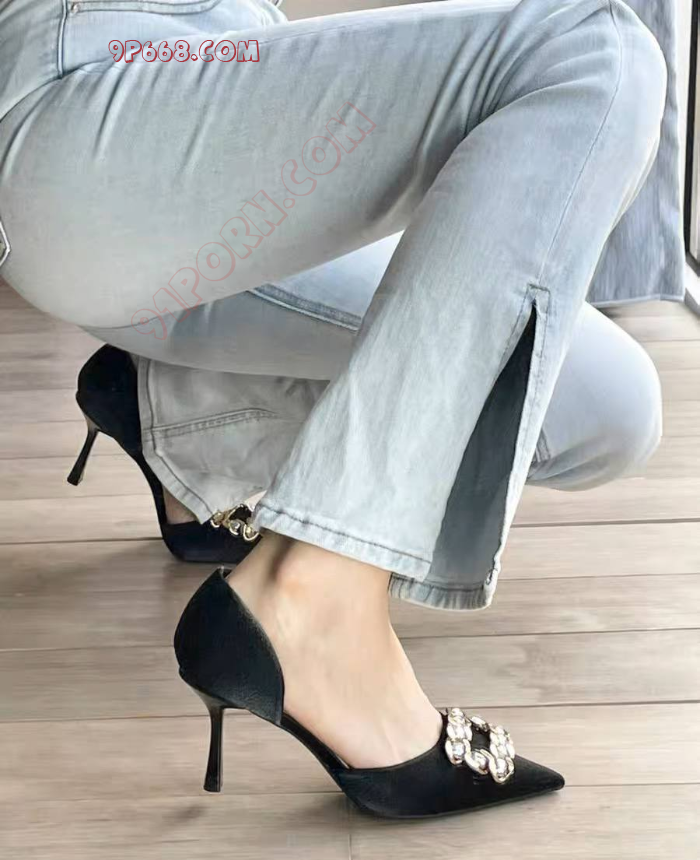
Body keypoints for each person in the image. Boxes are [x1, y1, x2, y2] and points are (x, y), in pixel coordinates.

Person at [0, 0, 684, 818]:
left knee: (607, 408)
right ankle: (318, 593)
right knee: (598, 53)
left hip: (234, 111)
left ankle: (180, 411)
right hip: (91, 97)